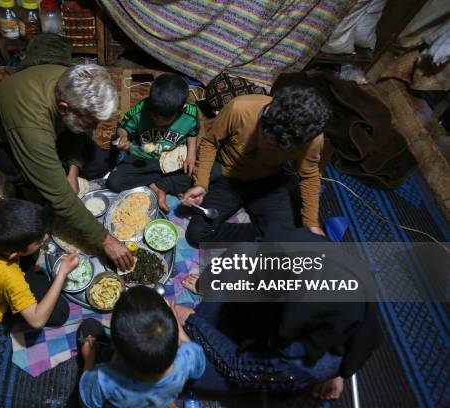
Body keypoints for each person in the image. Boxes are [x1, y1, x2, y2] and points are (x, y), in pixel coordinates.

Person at [177, 224, 382, 400]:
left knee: (182, 371)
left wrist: (192, 320)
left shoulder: (304, 363)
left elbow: (237, 368)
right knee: (243, 252)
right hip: (274, 316)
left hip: (264, 357)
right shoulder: (329, 261)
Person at [0, 63, 133, 271]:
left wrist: (73, 170)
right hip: (3, 143)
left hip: (55, 127)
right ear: (63, 108)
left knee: (97, 161)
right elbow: (60, 198)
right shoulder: (31, 129)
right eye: (90, 123)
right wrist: (107, 241)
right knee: (43, 202)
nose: (95, 129)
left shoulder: (73, 80)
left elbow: (77, 132)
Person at [181, 86, 331, 247]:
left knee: (289, 240)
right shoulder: (239, 109)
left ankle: (266, 234)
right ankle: (264, 234)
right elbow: (209, 143)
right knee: (197, 234)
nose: (265, 145)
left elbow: (309, 176)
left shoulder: (311, 138)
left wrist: (311, 223)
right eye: (265, 136)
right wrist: (201, 183)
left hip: (269, 183)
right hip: (228, 177)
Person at [106, 73, 220, 212]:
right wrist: (123, 137)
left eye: (164, 119)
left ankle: (158, 185)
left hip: (175, 160)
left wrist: (191, 155)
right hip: (144, 159)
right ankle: (162, 185)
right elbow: (122, 128)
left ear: (182, 109)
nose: (157, 121)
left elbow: (193, 132)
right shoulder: (142, 108)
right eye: (154, 115)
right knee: (114, 182)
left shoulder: (190, 113)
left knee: (215, 170)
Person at [77, 286, 206, 408]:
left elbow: (86, 404)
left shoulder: (103, 379)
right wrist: (177, 324)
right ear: (178, 342)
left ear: (115, 349)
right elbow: (199, 368)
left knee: (89, 327)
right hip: (162, 397)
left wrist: (89, 358)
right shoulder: (188, 357)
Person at [0, 198, 76, 329]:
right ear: (13, 255)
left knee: (33, 254)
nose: (46, 238)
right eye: (39, 241)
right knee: (61, 312)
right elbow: (37, 321)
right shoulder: (9, 276)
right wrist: (62, 274)